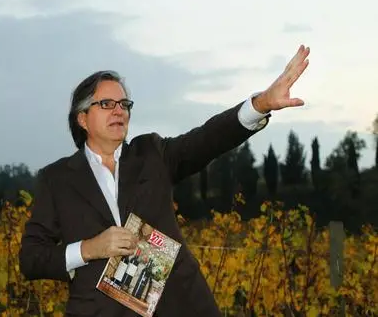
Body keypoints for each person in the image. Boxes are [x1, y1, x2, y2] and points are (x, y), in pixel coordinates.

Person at [19, 46, 312, 316]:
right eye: (106, 104)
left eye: (124, 103)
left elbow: (207, 139)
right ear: (82, 118)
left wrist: (260, 104)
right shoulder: (56, 180)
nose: (119, 110)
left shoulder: (152, 154)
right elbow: (31, 259)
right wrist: (88, 249)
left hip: (181, 307)